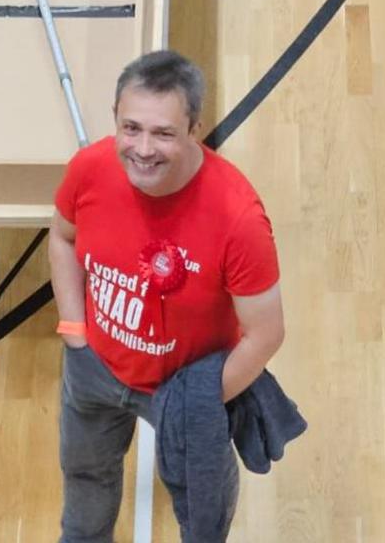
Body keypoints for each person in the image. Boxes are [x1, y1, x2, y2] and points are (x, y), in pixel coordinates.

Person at [51, 51, 287, 543]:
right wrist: (75, 332)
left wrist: (198, 402)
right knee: (84, 492)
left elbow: (266, 334)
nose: (142, 149)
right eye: (130, 128)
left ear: (195, 129)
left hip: (181, 391)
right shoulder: (89, 169)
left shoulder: (238, 219)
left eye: (163, 133)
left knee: (202, 516)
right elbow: (63, 237)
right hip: (94, 370)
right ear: (115, 117)